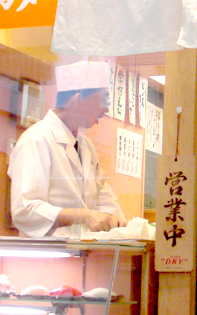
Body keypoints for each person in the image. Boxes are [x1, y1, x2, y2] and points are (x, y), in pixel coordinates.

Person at [8, 60, 127, 238]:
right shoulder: (36, 139)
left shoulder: (86, 146)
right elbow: (25, 209)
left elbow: (104, 194)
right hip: (46, 256)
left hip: (82, 252)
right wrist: (82, 216)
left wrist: (112, 218)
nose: (106, 109)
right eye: (102, 101)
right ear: (78, 100)